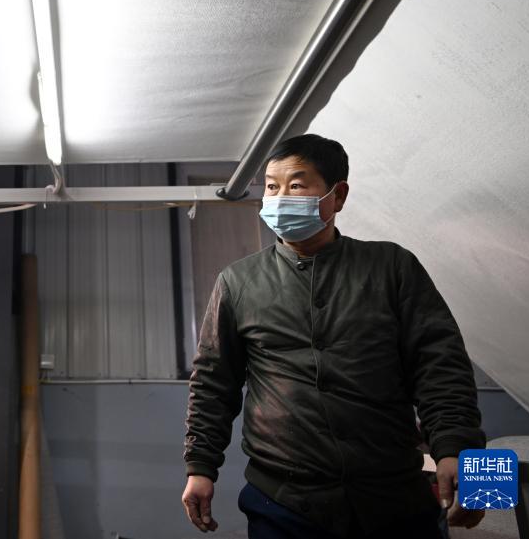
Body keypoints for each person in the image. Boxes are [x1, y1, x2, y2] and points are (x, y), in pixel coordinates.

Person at [181, 134, 486, 538]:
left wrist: (459, 452)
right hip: (282, 503)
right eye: (271, 186)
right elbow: (213, 383)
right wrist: (200, 467)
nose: (279, 197)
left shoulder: (391, 267)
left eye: (296, 185)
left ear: (337, 195)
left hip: (394, 497)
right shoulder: (238, 282)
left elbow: (441, 366)